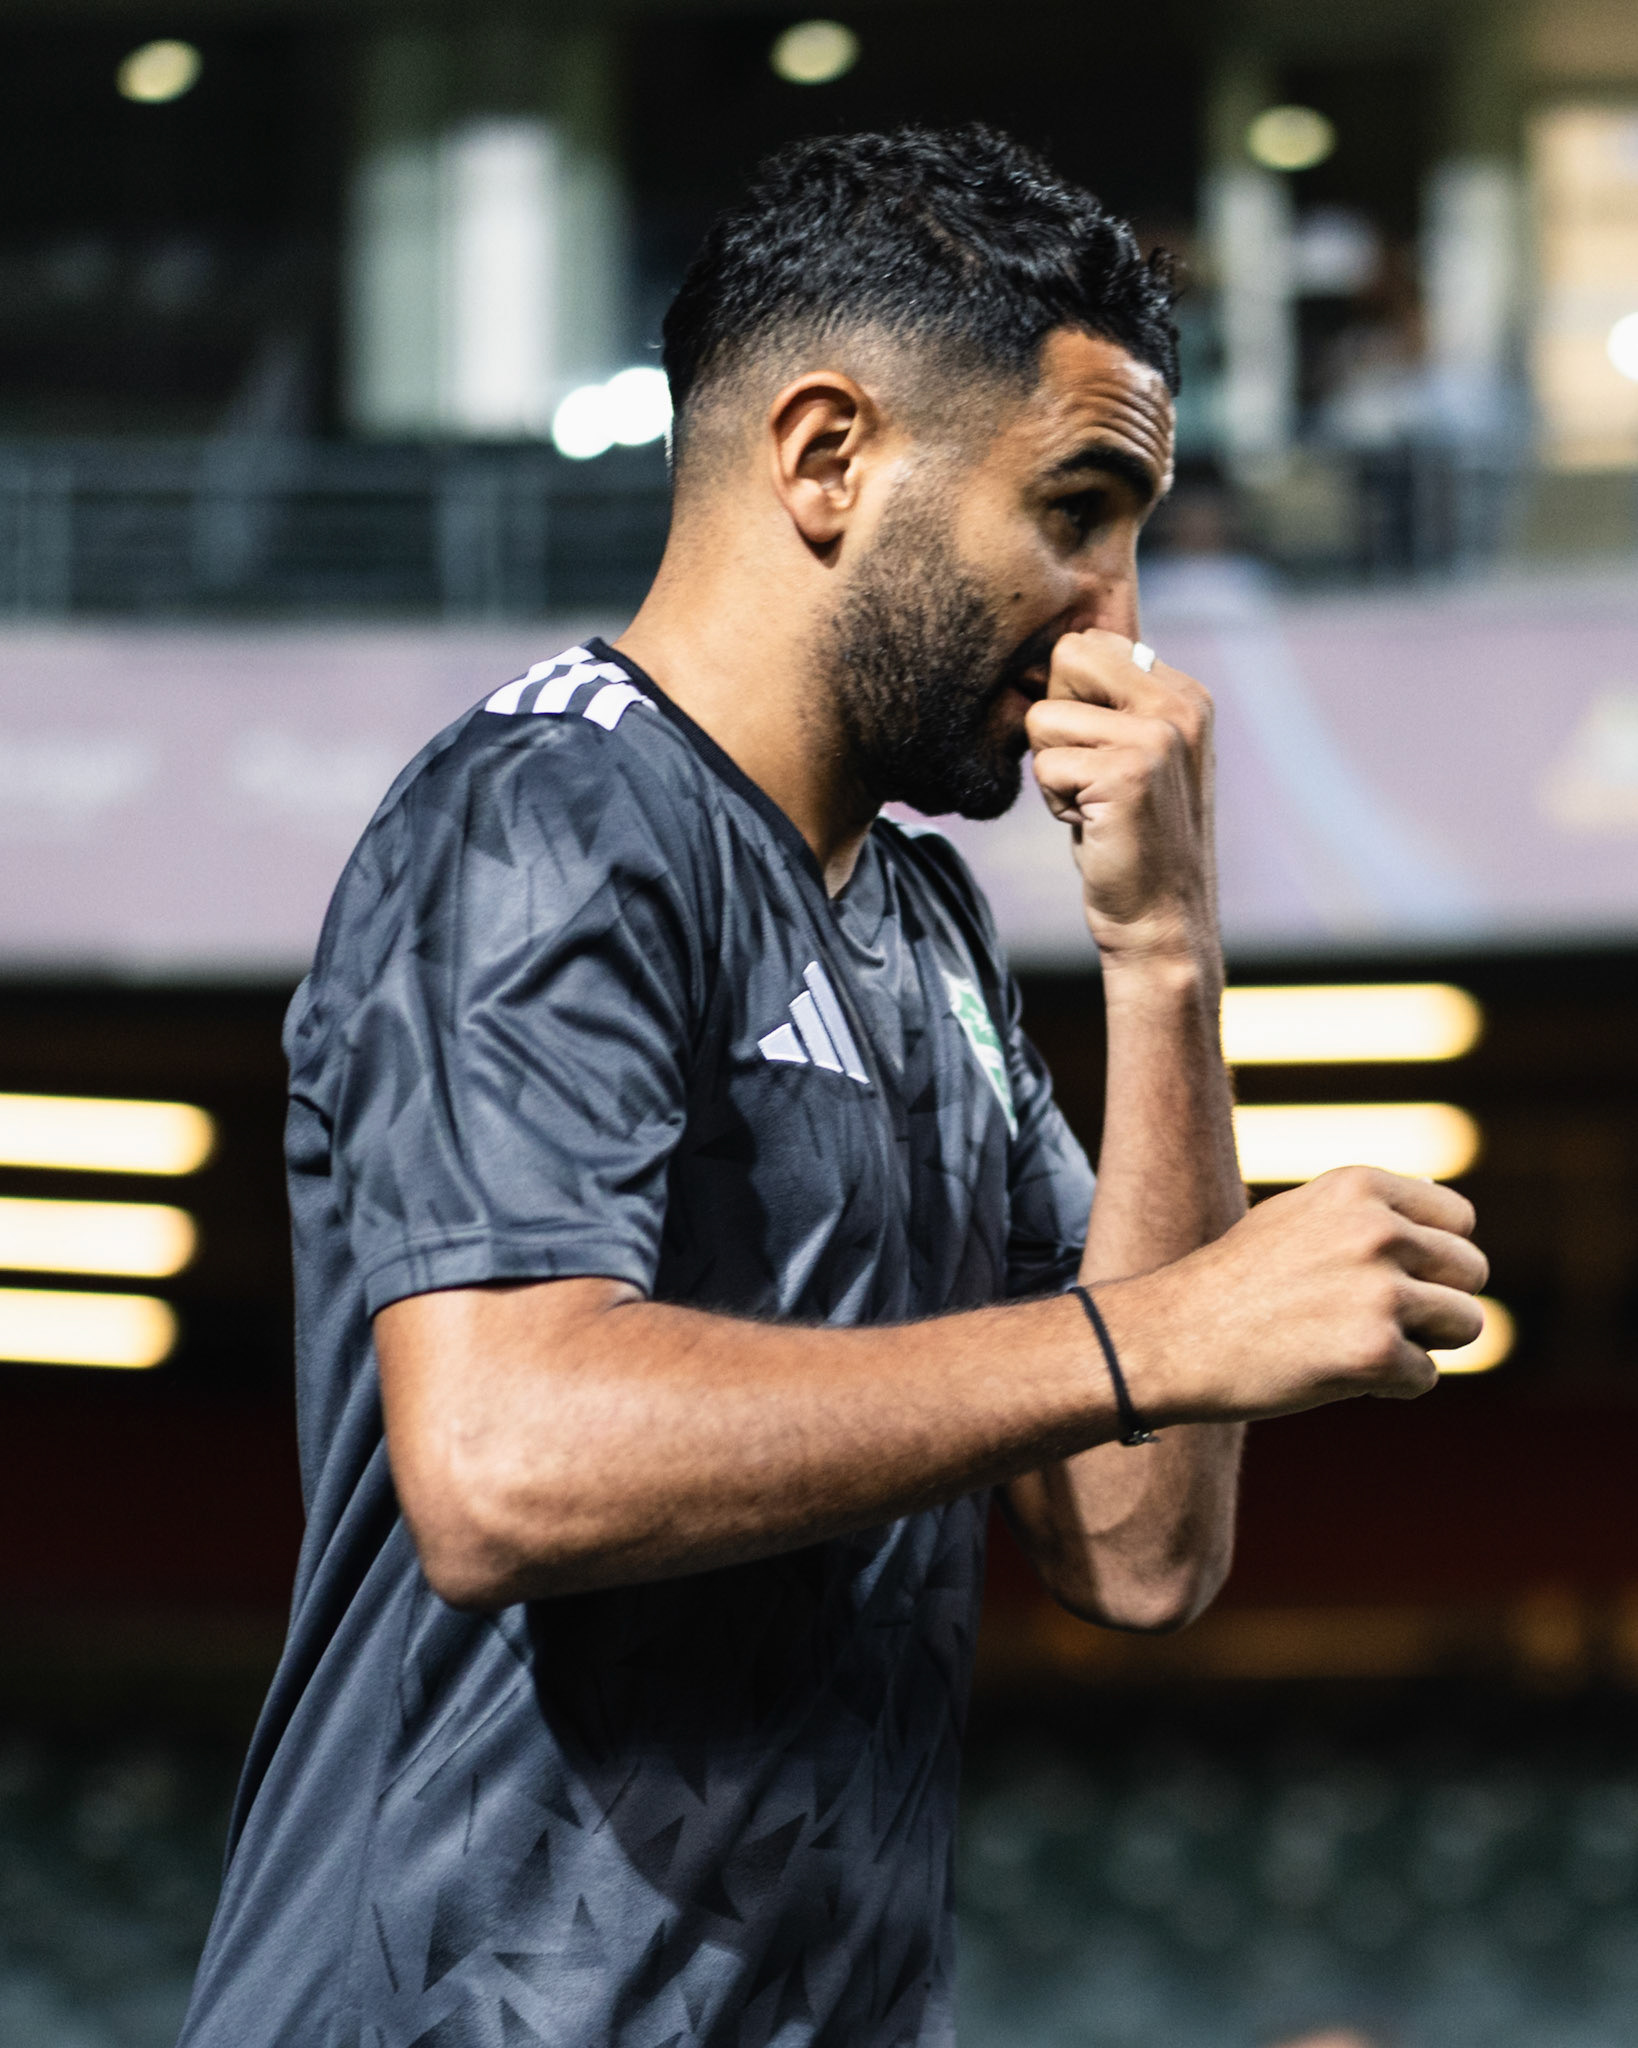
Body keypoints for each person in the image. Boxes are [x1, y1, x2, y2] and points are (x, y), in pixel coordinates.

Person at [176, 126, 1485, 2048]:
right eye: (1076, 505)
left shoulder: (927, 927)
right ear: (824, 457)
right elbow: (505, 1459)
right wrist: (1165, 1330)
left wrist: (1163, 959)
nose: (1116, 612)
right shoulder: (544, 811)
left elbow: (1137, 1548)